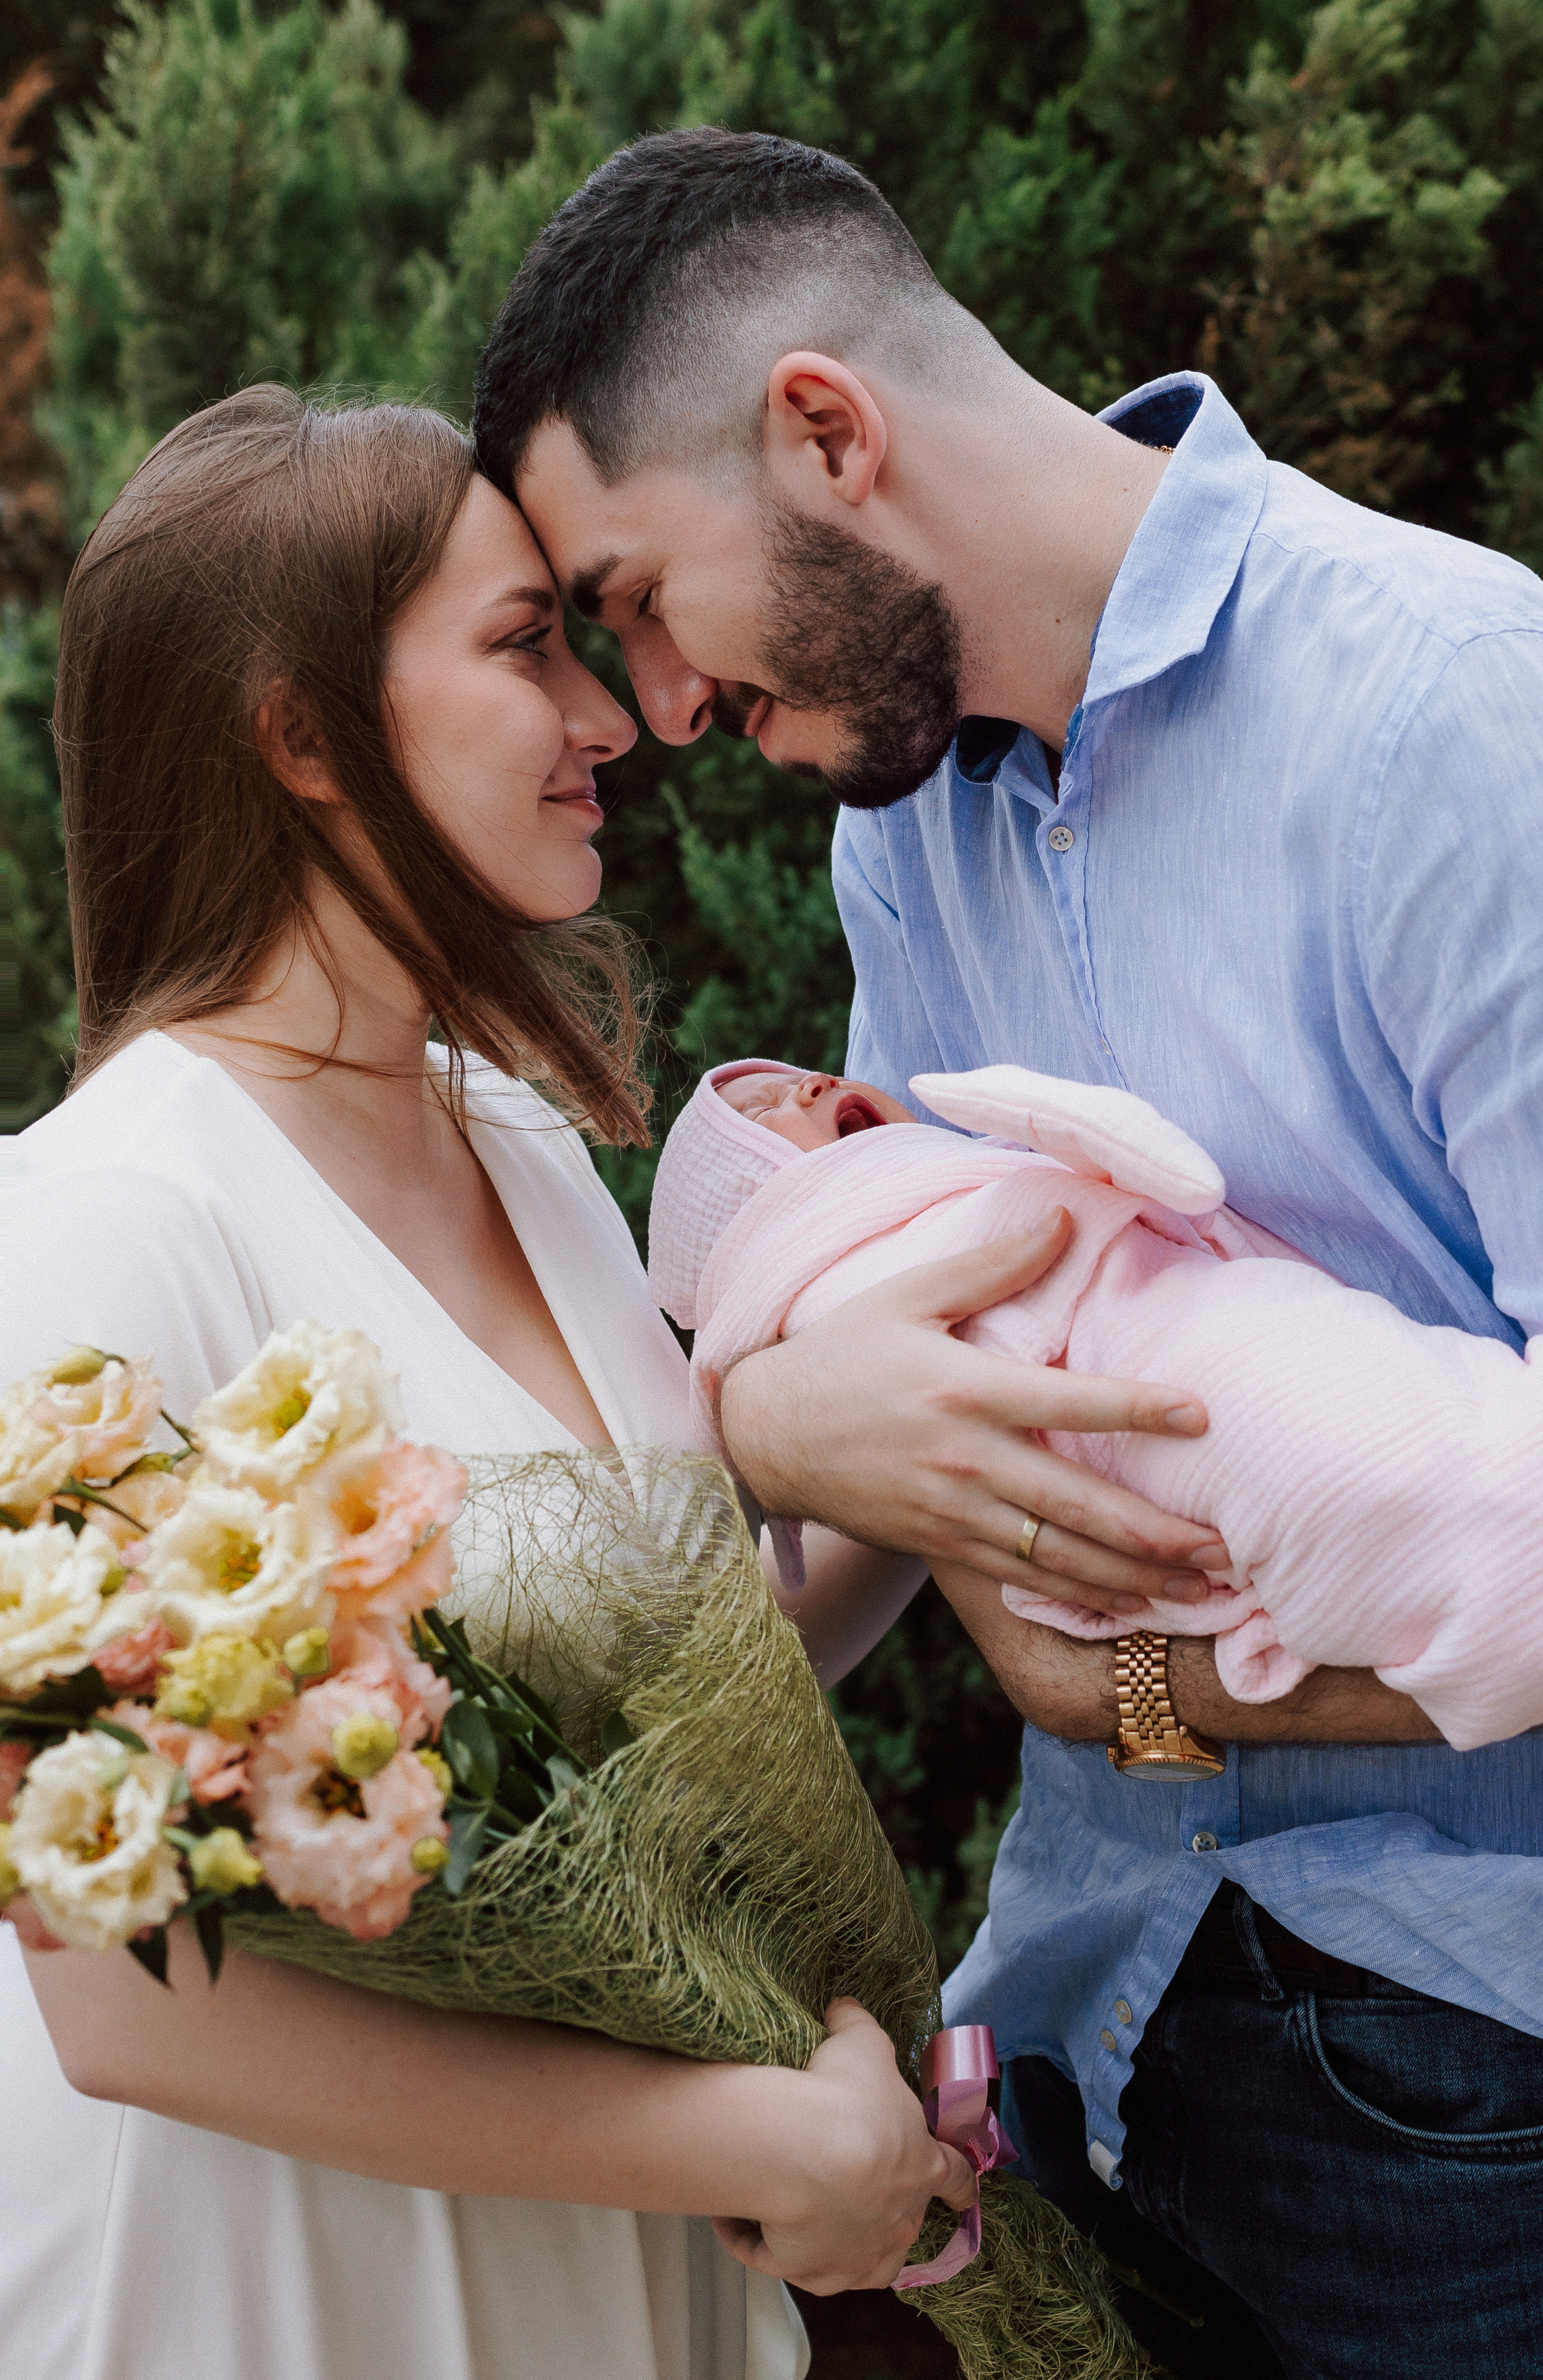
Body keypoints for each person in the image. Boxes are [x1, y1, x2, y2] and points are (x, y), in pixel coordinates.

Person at [472, 128, 1543, 2375]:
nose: (658, 709)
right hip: (1096, 2014)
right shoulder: (914, 838)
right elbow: (925, 1341)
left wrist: (1130, 1690)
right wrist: (758, 1431)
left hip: (1536, 2087)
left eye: (642, 596)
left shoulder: (1460, 729)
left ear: (829, 434)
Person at [0, 384, 976, 2380]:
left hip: (624, 2282)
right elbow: (117, 1994)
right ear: (299, 737)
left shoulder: (516, 1141)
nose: (614, 715)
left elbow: (647, 1698)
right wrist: (756, 2134)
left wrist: (924, 1449)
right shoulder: (98, 1222)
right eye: (528, 647)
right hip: (295, 2296)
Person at [646, 1054, 1543, 1748]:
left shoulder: (867, 1233)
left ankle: (1483, 1585)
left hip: (1133, 1362)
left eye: (788, 1072)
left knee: (1311, 1420)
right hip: (1124, 1350)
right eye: (768, 1112)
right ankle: (1509, 1540)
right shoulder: (842, 1258)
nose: (810, 1081)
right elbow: (1070, 1131)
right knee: (1305, 1413)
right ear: (761, 1196)